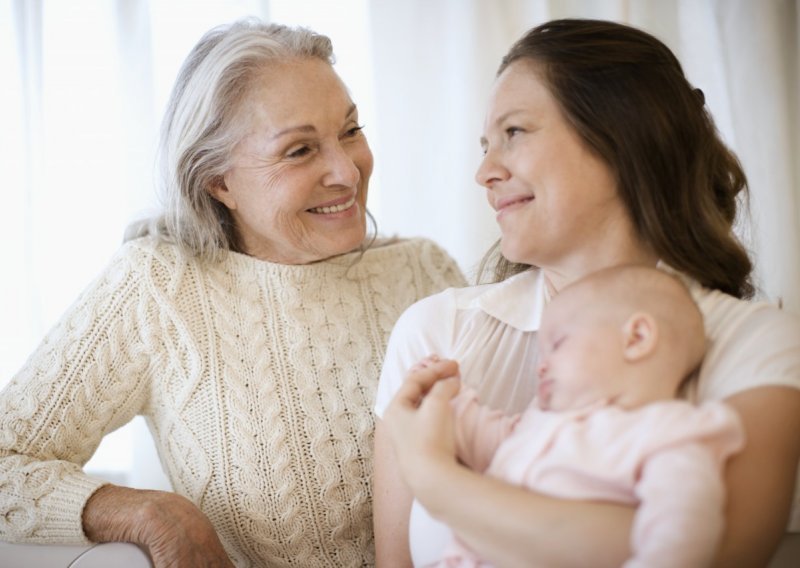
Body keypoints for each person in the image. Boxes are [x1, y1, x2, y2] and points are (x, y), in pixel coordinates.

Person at [0, 18, 465, 568]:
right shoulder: (159, 285)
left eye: (351, 130)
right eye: (299, 150)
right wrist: (154, 514)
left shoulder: (425, 272)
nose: (347, 170)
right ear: (219, 183)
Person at [373, 18, 800, 568]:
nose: (484, 171)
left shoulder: (763, 345)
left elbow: (712, 554)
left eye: (515, 132)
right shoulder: (436, 334)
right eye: (485, 144)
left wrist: (436, 479)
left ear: (622, 137)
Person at [385, 265, 746, 567]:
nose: (541, 366)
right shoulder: (542, 422)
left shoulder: (669, 434)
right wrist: (446, 397)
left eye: (557, 345)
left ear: (636, 337)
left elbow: (683, 530)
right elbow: (489, 439)